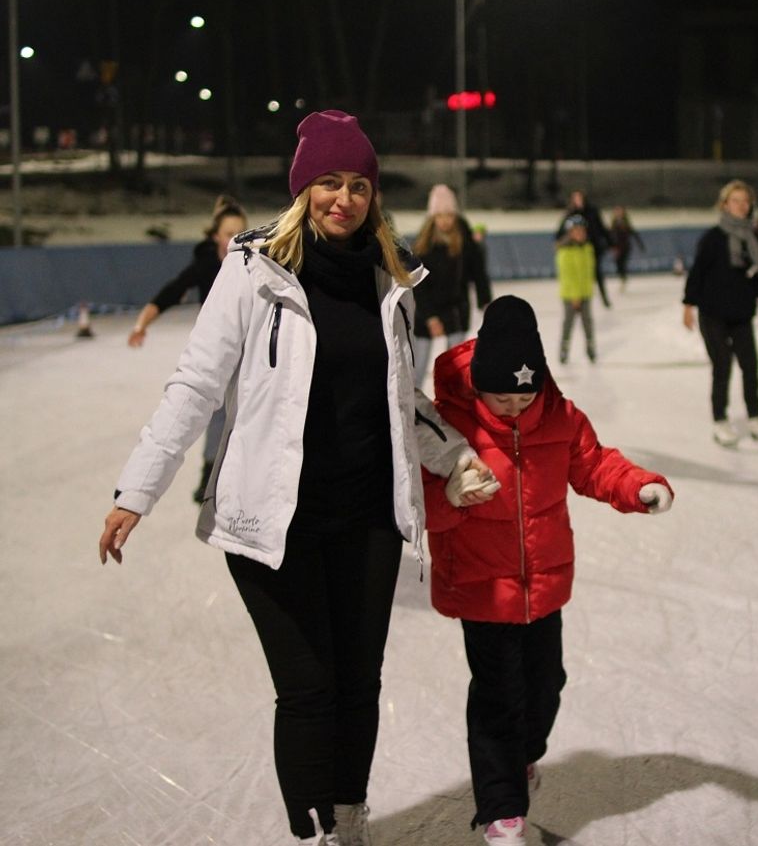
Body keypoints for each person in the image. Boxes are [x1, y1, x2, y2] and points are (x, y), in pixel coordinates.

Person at [97, 110, 495, 846]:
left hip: (368, 515)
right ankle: (312, 834)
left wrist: (457, 455)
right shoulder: (252, 272)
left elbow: (400, 396)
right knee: (309, 687)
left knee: (359, 684)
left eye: (358, 184)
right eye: (328, 182)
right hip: (271, 521)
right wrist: (137, 490)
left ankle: (347, 820)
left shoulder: (390, 280)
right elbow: (195, 385)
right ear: (302, 188)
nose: (342, 198)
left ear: (373, 195)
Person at [422, 295, 675, 846]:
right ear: (479, 386)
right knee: (496, 695)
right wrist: (451, 494)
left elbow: (596, 465)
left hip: (544, 583)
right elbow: (419, 507)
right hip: (480, 586)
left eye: (523, 396)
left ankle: (522, 758)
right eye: (500, 398)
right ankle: (502, 808)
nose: (513, 408)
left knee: (545, 686)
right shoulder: (448, 429)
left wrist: (638, 486)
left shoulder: (559, 417)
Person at [127, 195, 249, 502]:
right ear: (216, 237)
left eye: (241, 232)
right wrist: (142, 324)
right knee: (217, 411)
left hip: (250, 350)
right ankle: (209, 475)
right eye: (228, 233)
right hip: (219, 350)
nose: (235, 238)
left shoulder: (255, 263)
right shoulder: (207, 264)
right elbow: (173, 291)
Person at [682, 179, 758, 447]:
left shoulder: (753, 239)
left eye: (745, 201)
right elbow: (698, 273)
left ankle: (756, 418)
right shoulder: (713, 238)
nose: (741, 206)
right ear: (725, 204)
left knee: (751, 366)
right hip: (712, 313)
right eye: (736, 201)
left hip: (741, 313)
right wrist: (688, 306)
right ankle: (720, 420)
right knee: (722, 365)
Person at [412, 184, 471, 388]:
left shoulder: (463, 243)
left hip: (454, 311)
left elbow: (476, 272)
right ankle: (413, 411)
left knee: (456, 370)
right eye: (440, 215)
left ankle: (452, 407)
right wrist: (430, 317)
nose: (445, 221)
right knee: (417, 369)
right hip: (425, 313)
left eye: (449, 215)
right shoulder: (422, 248)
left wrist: (485, 300)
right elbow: (418, 286)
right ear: (432, 218)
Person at [555, 189, 612, 308]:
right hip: (575, 250)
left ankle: (603, 298)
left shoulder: (592, 211)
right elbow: (562, 230)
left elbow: (601, 227)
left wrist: (610, 242)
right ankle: (578, 298)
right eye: (575, 198)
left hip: (592, 249)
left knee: (597, 273)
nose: (578, 200)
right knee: (577, 274)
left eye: (579, 198)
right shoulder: (571, 214)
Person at [555, 213, 597, 363]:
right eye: (576, 231)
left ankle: (590, 347)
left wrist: (589, 289)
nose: (580, 234)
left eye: (582, 231)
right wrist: (574, 295)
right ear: (570, 233)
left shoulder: (587, 248)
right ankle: (564, 349)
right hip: (570, 295)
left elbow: (589, 271)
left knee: (588, 322)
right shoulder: (565, 251)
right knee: (569, 322)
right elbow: (567, 275)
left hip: (585, 292)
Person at [608, 205, 644, 290]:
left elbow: (634, 234)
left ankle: (623, 278)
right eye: (616, 211)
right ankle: (622, 277)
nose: (618, 213)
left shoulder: (626, 223)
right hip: (617, 248)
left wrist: (641, 245)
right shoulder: (613, 223)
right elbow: (610, 235)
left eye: (620, 211)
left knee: (622, 262)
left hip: (625, 247)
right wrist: (611, 246)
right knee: (618, 263)